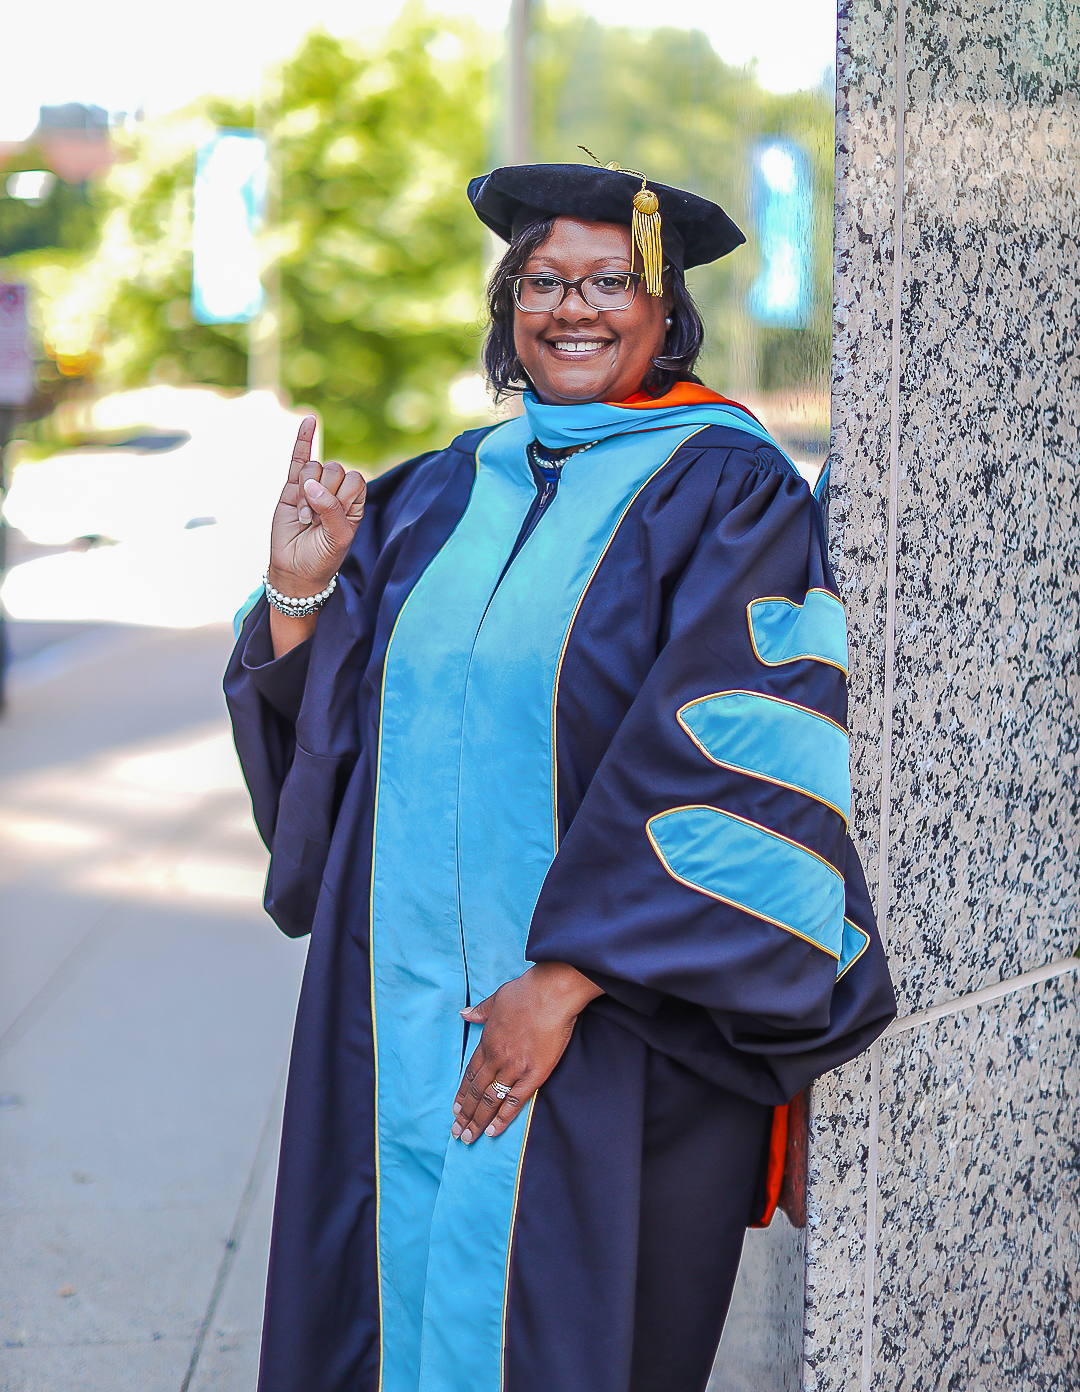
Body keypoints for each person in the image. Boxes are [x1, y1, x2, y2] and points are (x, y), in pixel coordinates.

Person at [226, 158, 896, 1392]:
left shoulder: (726, 490)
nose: (573, 308)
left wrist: (570, 978)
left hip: (607, 1037)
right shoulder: (438, 491)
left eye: (610, 282)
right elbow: (337, 749)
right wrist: (301, 585)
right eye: (544, 281)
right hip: (402, 1023)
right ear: (508, 306)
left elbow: (734, 754)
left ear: (663, 313)